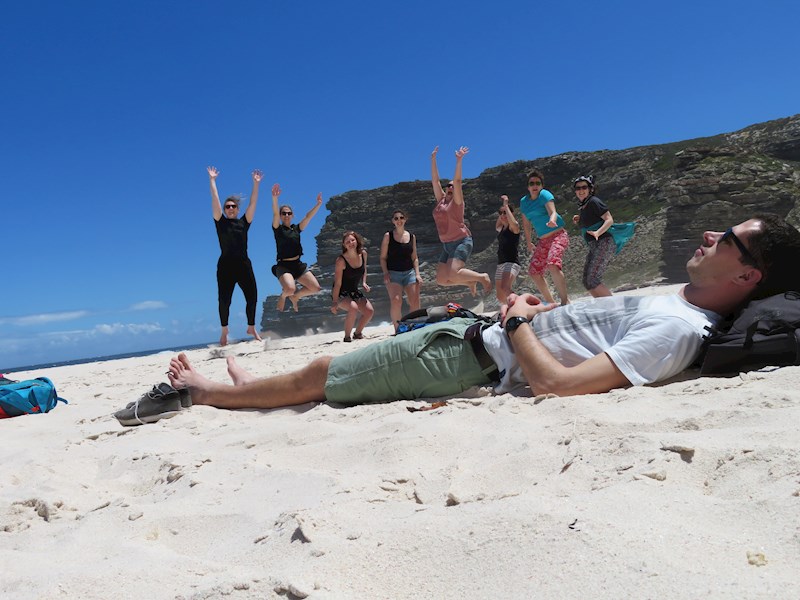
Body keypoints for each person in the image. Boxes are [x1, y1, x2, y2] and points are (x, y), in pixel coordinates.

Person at [167, 215, 800, 410]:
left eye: (729, 238)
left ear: (748, 274)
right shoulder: (680, 301)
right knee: (326, 368)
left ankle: (208, 395)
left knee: (322, 372)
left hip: (467, 357)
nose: (711, 236)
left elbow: (557, 385)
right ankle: (247, 389)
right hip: (468, 336)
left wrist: (521, 319)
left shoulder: (679, 327)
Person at [208, 166, 263, 347]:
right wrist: (213, 181)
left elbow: (253, 204)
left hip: (243, 265)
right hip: (225, 266)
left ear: (238, 209)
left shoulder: (244, 222)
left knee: (252, 296)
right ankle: (224, 330)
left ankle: (251, 327)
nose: (230, 208)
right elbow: (215, 200)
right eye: (227, 207)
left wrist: (256, 184)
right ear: (224, 209)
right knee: (224, 300)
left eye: (233, 206)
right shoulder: (220, 222)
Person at [430, 146, 492, 296]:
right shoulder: (441, 201)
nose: (450, 187)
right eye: (448, 186)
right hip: (447, 245)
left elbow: (457, 181)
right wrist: (433, 160)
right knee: (441, 280)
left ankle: (481, 277)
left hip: (461, 241)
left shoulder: (457, 202)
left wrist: (459, 161)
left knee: (453, 273)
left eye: (453, 186)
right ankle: (469, 282)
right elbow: (435, 181)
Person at [518, 170, 570, 305]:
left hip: (558, 235)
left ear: (541, 185)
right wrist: (529, 242)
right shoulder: (524, 202)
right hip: (543, 240)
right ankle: (551, 303)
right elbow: (526, 223)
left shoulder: (544, 195)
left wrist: (552, 220)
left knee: (553, 264)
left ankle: (565, 301)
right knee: (534, 272)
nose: (535, 186)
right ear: (527, 186)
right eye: (531, 183)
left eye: (538, 183)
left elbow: (552, 211)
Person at [271, 184, 323, 312]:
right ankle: (283, 296)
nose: (286, 215)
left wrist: (318, 204)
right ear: (281, 215)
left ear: (292, 215)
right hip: (284, 265)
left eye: (289, 213)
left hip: (297, 265)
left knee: (316, 288)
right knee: (289, 289)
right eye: (284, 213)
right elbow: (275, 214)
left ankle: (295, 297)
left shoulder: (296, 229)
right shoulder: (278, 229)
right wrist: (275, 198)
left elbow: (308, 217)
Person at [571, 175, 616, 297]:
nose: (581, 190)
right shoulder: (584, 205)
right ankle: (603, 306)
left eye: (584, 187)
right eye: (578, 188)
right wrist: (580, 219)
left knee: (592, 279)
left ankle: (614, 308)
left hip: (604, 242)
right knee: (587, 280)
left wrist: (598, 232)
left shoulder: (594, 201)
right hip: (595, 245)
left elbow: (609, 219)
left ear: (590, 189)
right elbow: (592, 219)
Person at [380, 209, 422, 330]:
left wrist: (417, 274)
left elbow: (414, 258)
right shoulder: (388, 236)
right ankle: (398, 329)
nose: (399, 220)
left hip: (409, 272)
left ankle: (414, 326)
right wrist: (385, 273)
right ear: (393, 221)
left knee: (414, 301)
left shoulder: (412, 237)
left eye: (401, 218)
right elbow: (383, 258)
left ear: (405, 219)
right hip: (393, 273)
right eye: (396, 218)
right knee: (396, 300)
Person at [331, 231, 374, 342]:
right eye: (347, 242)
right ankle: (347, 337)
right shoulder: (341, 260)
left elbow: (364, 269)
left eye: (352, 240)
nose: (351, 243)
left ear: (357, 241)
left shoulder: (363, 254)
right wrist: (335, 302)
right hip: (341, 292)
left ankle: (358, 333)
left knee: (369, 311)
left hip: (354, 291)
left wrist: (364, 282)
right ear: (344, 245)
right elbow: (337, 283)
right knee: (353, 307)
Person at [495, 196, 522, 304]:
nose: (502, 215)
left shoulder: (513, 228)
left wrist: (506, 206)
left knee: (505, 288)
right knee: (500, 295)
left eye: (505, 213)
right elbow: (498, 223)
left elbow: (514, 223)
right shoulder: (501, 229)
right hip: (501, 263)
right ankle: (510, 308)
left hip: (511, 263)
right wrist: (503, 210)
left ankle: (521, 305)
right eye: (501, 213)